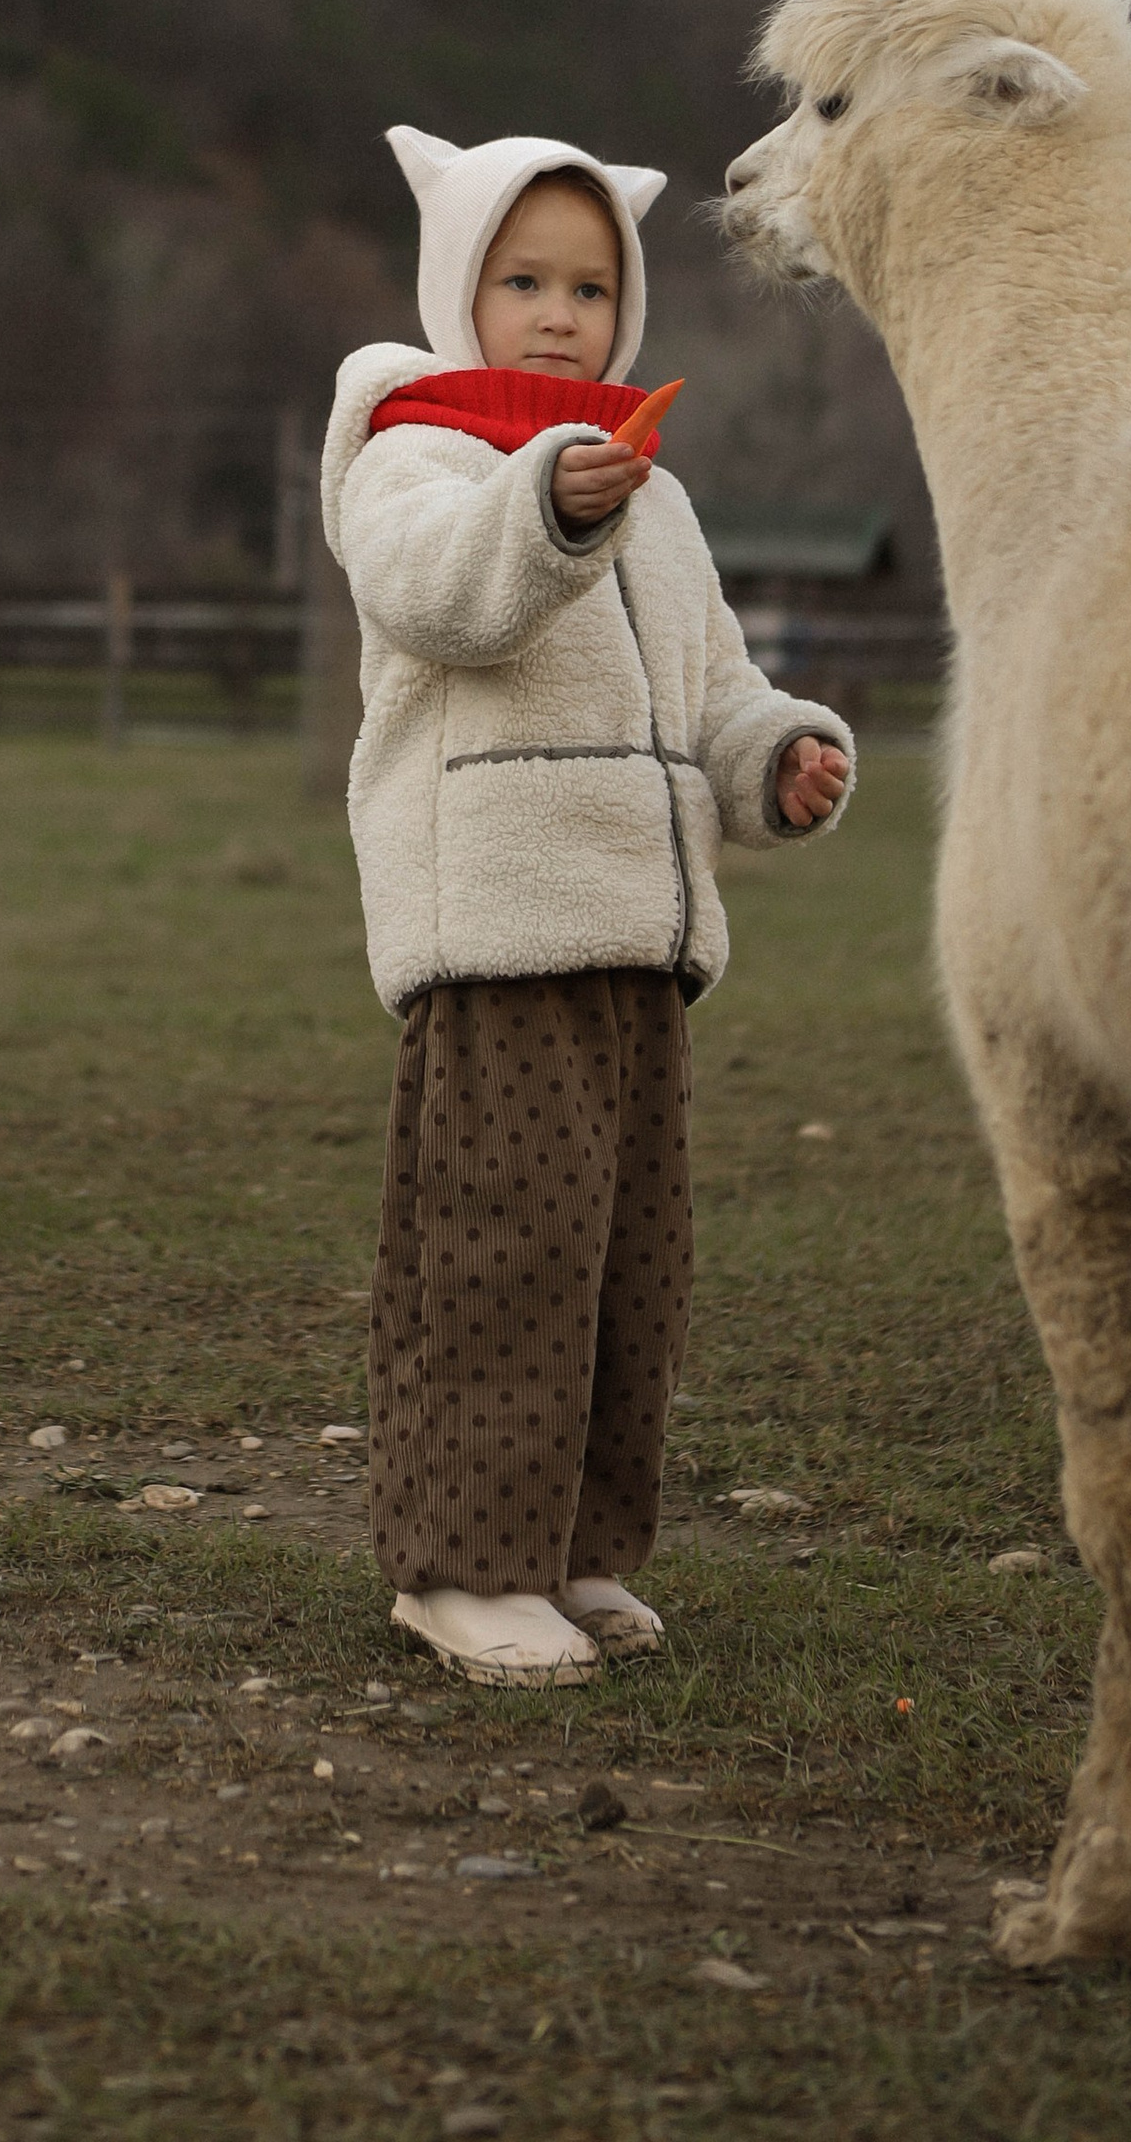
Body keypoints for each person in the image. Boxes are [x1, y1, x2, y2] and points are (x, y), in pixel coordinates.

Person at [319, 124, 855, 1685]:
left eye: (590, 282)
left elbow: (716, 691)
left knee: (632, 1263)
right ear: (455, 290)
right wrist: (550, 503)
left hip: (642, 940)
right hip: (495, 932)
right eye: (521, 278)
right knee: (505, 1253)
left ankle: (573, 1548)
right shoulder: (416, 452)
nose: (559, 311)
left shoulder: (652, 493)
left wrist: (779, 760)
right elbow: (441, 594)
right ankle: (459, 1567)